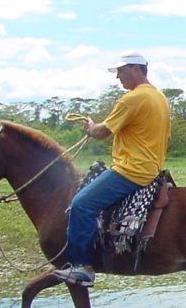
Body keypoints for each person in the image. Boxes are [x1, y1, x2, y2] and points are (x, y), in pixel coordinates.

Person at [54, 52, 171, 287]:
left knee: (81, 204)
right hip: (152, 168)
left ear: (136, 69)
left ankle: (81, 267)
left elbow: (102, 132)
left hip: (130, 170)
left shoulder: (132, 99)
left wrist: (90, 127)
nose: (118, 77)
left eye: (121, 71)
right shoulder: (159, 98)